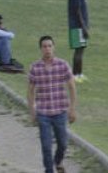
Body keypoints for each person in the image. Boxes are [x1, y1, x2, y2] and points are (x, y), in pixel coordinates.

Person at [27, 36, 77, 173]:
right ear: (40, 49)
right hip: (43, 112)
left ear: (54, 47)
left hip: (60, 111)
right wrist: (32, 110)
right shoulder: (35, 67)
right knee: (46, 145)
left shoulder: (63, 65)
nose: (47, 49)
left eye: (49, 46)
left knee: (63, 143)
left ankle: (58, 161)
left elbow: (72, 87)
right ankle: (49, 170)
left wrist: (72, 109)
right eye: (44, 46)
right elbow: (30, 91)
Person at [68, 0, 90, 82]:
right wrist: (84, 27)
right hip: (77, 26)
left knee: (81, 49)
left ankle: (79, 74)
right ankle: (75, 75)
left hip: (79, 26)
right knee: (79, 51)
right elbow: (77, 11)